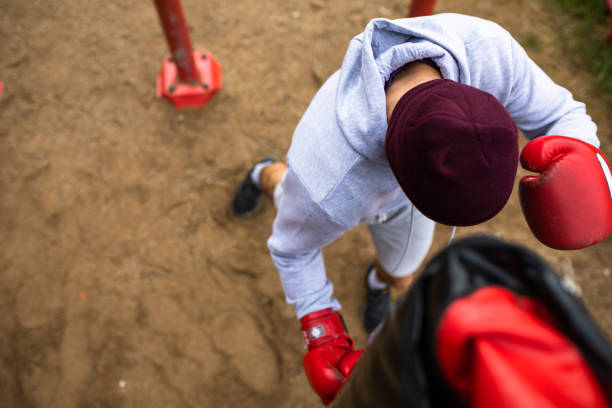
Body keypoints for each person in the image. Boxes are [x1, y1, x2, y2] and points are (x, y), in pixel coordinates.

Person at [232, 13, 612, 405]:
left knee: (401, 276)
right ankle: (266, 173)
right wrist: (320, 327)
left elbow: (561, 115)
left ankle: (378, 281)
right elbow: (292, 249)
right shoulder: (328, 180)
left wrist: (586, 161)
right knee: (291, 198)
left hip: (405, 203)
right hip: (336, 190)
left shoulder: (487, 53)